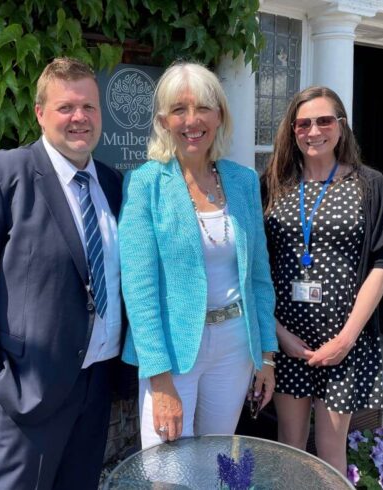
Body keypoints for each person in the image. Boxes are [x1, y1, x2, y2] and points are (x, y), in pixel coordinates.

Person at [0, 58, 125, 489]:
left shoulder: (113, 183)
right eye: (66, 107)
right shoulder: (0, 174)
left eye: (89, 107)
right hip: (27, 394)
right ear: (40, 113)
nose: (80, 118)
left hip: (97, 385)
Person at [119, 61, 278, 449]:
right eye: (179, 109)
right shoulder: (146, 184)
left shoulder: (241, 181)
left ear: (220, 115)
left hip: (236, 346)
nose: (193, 120)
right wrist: (158, 376)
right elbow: (139, 290)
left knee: (214, 457)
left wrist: (267, 355)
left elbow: (258, 276)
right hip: (174, 353)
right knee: (165, 465)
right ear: (163, 120)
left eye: (203, 107)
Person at [261, 86, 383, 472]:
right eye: (303, 123)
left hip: (342, 343)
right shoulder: (274, 185)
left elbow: (381, 264)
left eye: (324, 121)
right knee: (288, 447)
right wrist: (277, 334)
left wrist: (346, 339)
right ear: (292, 131)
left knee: (330, 454)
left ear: (341, 126)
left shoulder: (368, 185)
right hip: (288, 341)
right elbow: (255, 267)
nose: (314, 131)